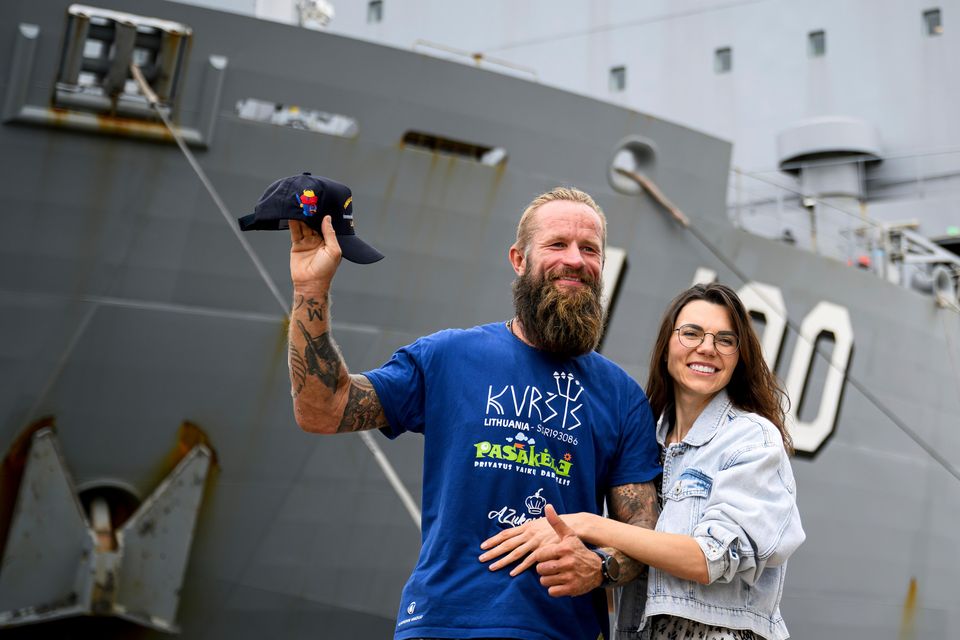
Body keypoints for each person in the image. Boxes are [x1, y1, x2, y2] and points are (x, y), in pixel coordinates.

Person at [287, 186, 662, 640]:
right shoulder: (447, 356)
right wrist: (311, 289)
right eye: (557, 244)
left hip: (556, 631)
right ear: (519, 260)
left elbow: (645, 532)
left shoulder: (622, 396)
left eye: (590, 249)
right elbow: (324, 411)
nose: (576, 260)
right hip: (438, 624)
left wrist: (601, 566)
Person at [481, 283, 805, 640]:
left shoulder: (751, 438)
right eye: (692, 333)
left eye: (725, 340)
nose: (707, 348)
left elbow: (708, 559)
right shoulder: (644, 439)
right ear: (667, 344)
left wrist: (590, 525)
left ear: (739, 357)